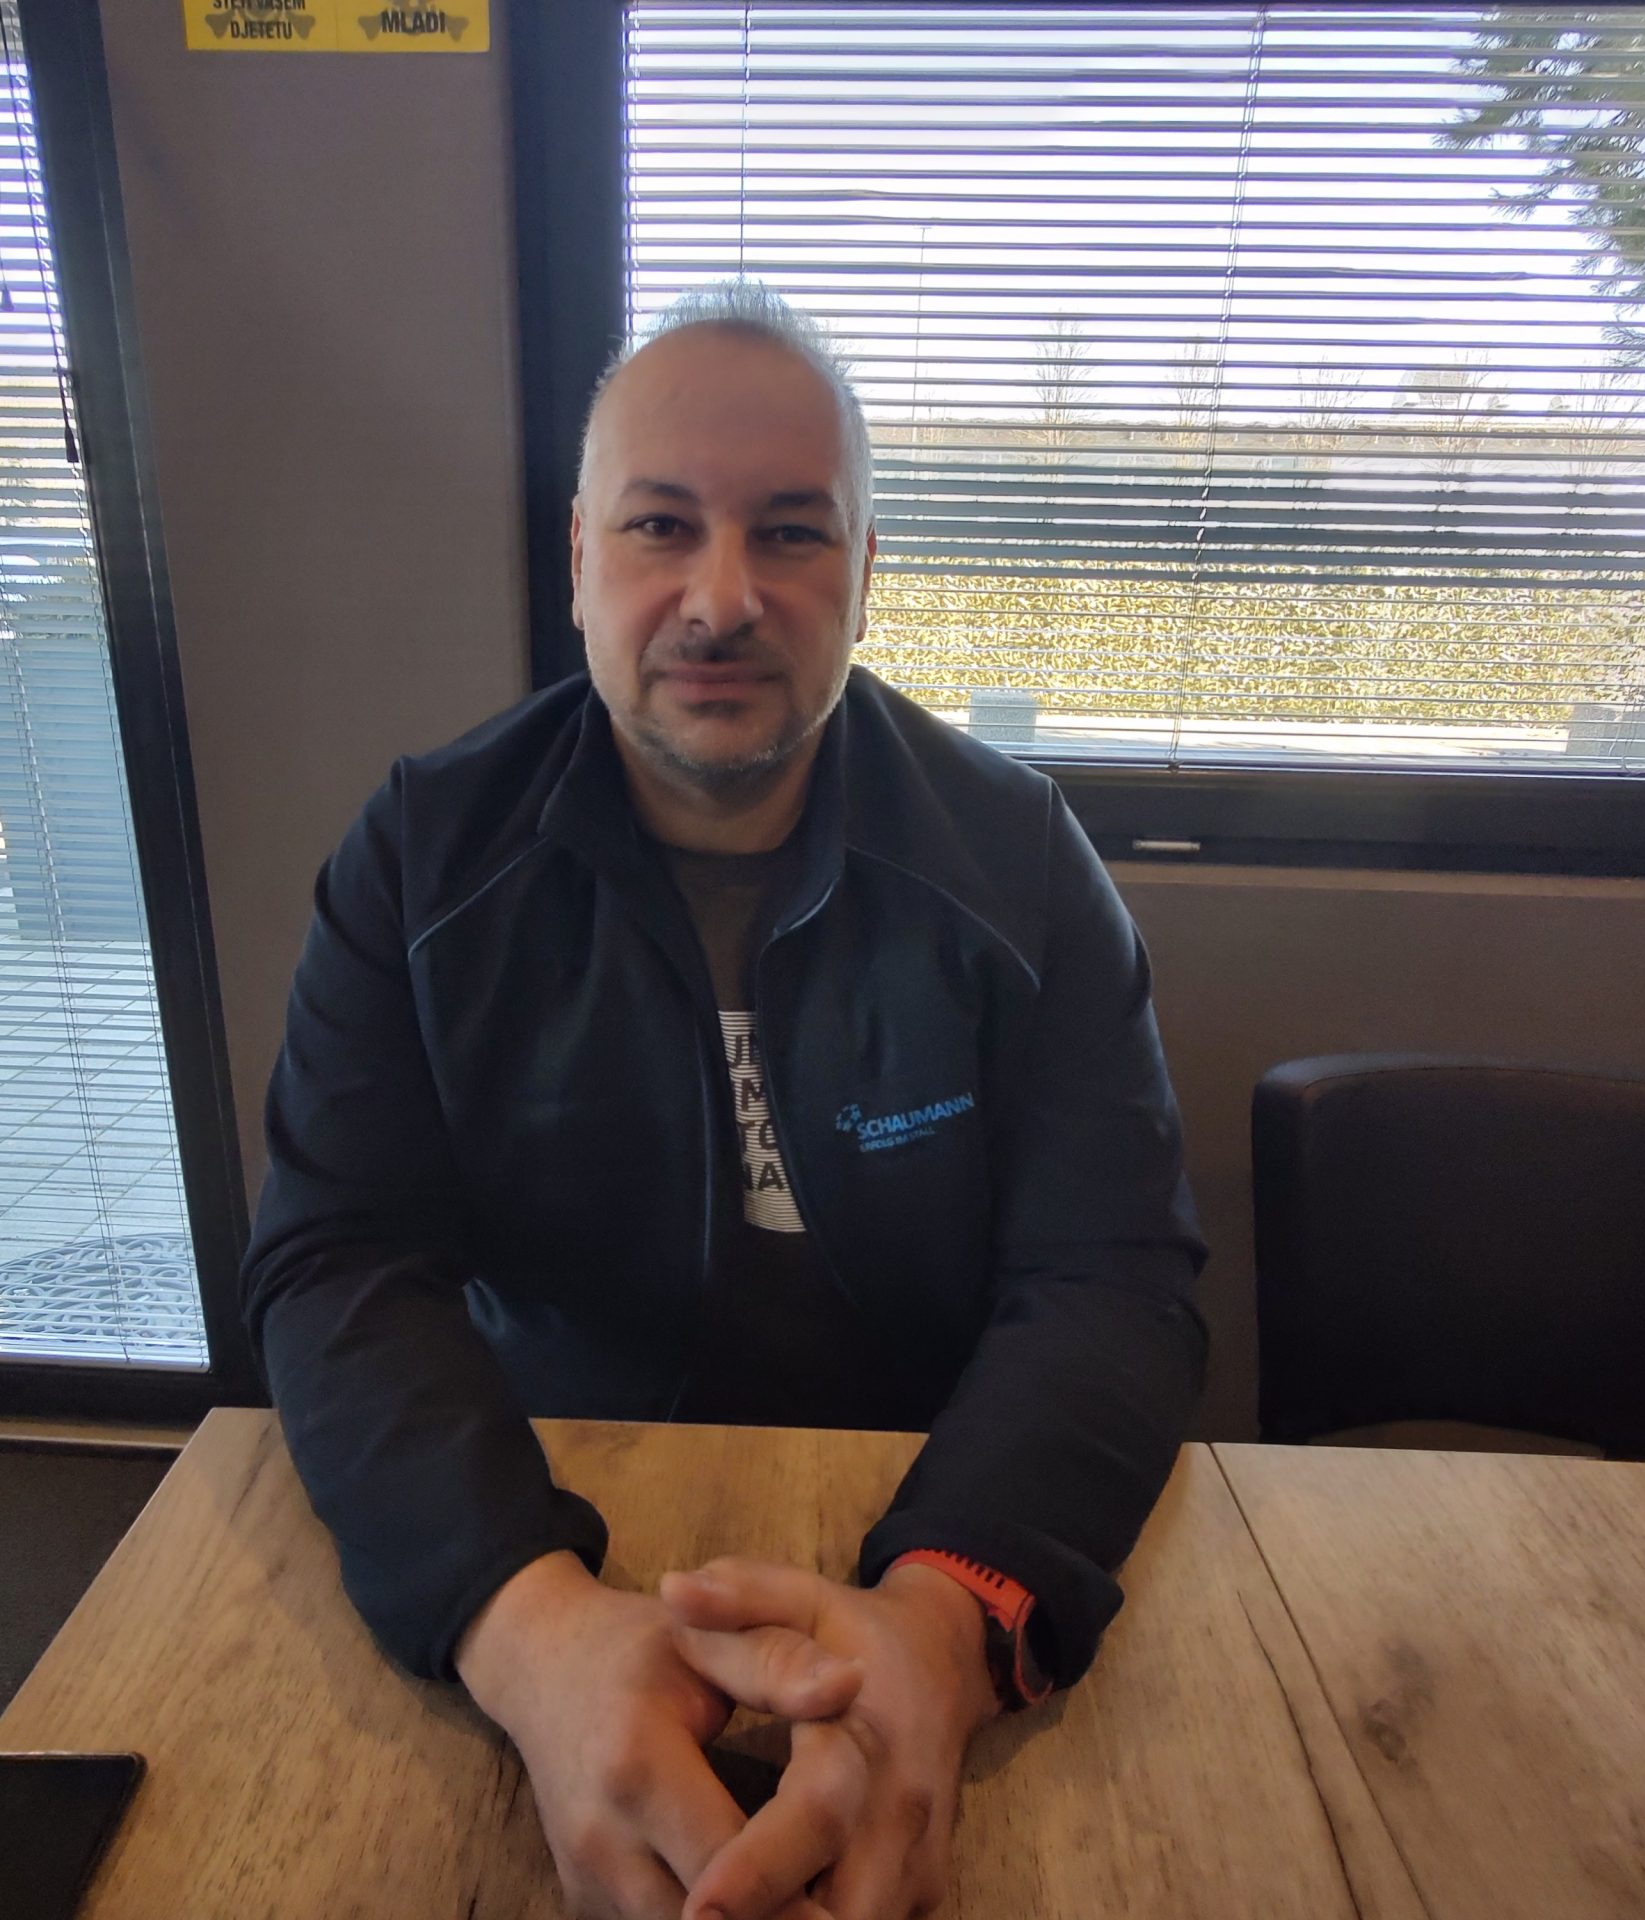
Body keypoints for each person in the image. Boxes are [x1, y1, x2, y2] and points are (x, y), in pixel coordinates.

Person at [243, 280, 1209, 1920]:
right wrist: (527, 1625)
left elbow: (1112, 1280)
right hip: (541, 1514)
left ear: (864, 574)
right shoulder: (419, 859)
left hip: (940, 1504)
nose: (721, 597)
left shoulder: (1023, 864)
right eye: (661, 526)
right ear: (578, 561)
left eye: (790, 534)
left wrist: (944, 1624)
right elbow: (336, 1265)